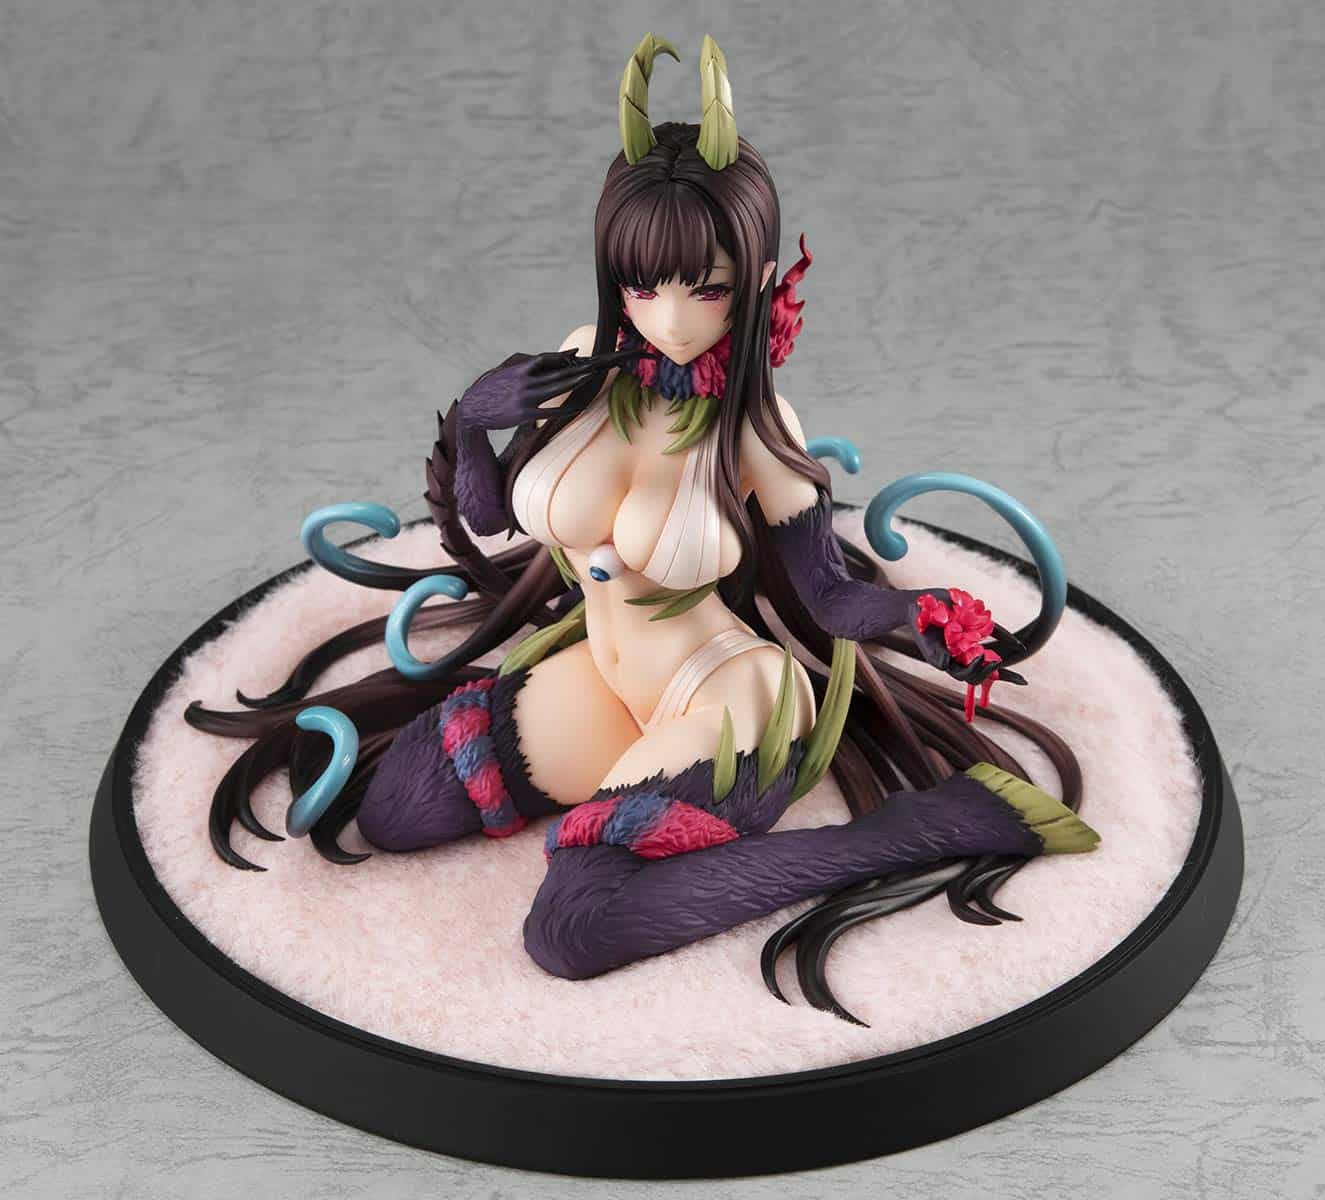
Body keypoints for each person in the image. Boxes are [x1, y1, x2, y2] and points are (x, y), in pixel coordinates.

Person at [188, 34, 1097, 1024]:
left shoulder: (756, 428)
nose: (669, 317)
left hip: (722, 696)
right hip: (608, 678)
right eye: (642, 283)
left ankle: (918, 830)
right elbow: (487, 516)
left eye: (704, 286)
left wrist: (923, 617)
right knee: (396, 809)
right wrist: (474, 419)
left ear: (755, 279)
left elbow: (829, 597)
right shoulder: (583, 363)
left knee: (570, 931)